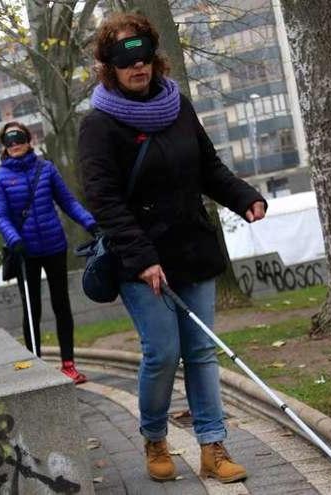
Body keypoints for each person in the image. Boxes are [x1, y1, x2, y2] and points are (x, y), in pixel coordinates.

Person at [79, 13, 267, 484]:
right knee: (162, 351)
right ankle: (155, 437)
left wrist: (245, 197)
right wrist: (142, 259)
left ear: (154, 57)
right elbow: (104, 200)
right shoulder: (99, 125)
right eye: (126, 61)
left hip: (190, 247)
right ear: (109, 67)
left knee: (201, 351)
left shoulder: (177, 106)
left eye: (143, 57)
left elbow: (209, 166)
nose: (137, 67)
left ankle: (212, 445)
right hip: (139, 258)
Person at [0, 121, 97, 384]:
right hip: (24, 250)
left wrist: (90, 223)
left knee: (62, 305)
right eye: (9, 140)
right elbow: (0, 216)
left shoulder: (46, 169)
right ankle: (36, 367)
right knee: (31, 309)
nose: (14, 144)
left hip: (53, 246)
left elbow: (68, 202)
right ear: (4, 145)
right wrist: (14, 239)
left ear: (29, 140)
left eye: (18, 138)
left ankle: (68, 365)